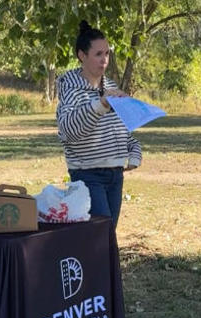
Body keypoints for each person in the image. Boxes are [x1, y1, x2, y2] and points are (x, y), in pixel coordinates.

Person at [55, 21, 142, 228]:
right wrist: (101, 104)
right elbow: (69, 130)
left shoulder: (111, 86)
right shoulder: (70, 89)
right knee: (99, 235)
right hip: (88, 175)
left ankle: (108, 262)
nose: (104, 60)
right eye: (98, 54)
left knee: (109, 234)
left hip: (115, 174)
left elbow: (121, 128)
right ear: (82, 56)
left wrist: (134, 148)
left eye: (107, 54)